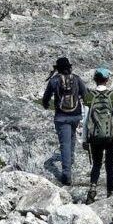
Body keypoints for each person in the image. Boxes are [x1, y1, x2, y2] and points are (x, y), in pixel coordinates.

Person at [82, 68, 113, 201]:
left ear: (95, 79)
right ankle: (110, 193)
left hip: (94, 137)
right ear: (107, 80)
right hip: (111, 137)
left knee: (96, 164)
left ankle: (92, 189)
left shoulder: (89, 96)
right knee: (110, 165)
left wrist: (84, 139)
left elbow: (85, 120)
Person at [42, 57, 88, 186]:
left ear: (58, 68)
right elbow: (85, 95)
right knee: (72, 137)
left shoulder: (54, 81)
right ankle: (71, 160)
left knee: (65, 144)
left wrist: (46, 105)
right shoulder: (77, 79)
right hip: (76, 115)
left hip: (61, 117)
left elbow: (46, 98)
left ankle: (66, 174)